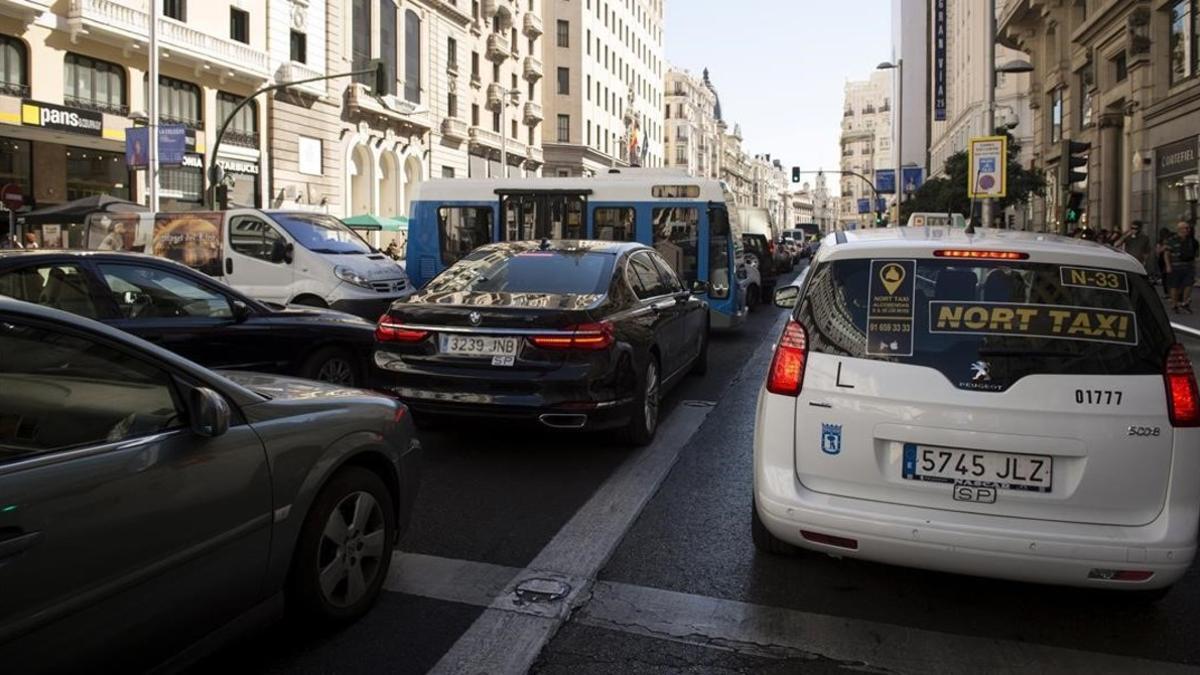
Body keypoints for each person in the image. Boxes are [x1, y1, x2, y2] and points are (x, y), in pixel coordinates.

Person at [1164, 220, 1197, 313]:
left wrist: (1194, 265)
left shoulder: (1192, 241)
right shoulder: (1172, 240)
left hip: (1188, 266)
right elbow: (1166, 254)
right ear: (1179, 229)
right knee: (1174, 286)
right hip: (1175, 266)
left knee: (1189, 284)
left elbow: (1194, 254)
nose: (1187, 230)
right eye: (1185, 228)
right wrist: (1168, 266)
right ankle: (1174, 304)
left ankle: (1185, 302)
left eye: (1188, 228)